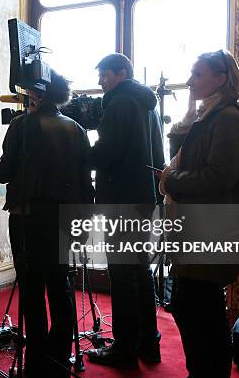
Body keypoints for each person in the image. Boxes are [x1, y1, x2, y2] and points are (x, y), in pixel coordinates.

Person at [0, 72, 94, 377]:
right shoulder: (77, 128)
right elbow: (87, 184)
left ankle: (37, 363)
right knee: (61, 286)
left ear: (38, 95)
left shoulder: (22, 124)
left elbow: (5, 172)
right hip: (65, 220)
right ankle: (60, 360)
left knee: (32, 291)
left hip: (29, 218)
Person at [159, 49, 239, 377]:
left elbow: (219, 175)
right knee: (191, 306)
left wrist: (171, 180)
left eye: (197, 74)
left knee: (200, 310)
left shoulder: (228, 117)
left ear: (220, 79)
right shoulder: (211, 114)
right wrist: (190, 109)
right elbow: (185, 154)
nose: (190, 80)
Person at [84, 53, 164, 369]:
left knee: (122, 275)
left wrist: (80, 156)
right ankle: (148, 344)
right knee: (140, 272)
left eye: (105, 75)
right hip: (143, 197)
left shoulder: (119, 102)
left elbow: (107, 152)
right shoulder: (146, 104)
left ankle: (125, 349)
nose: (101, 81)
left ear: (122, 73)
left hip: (121, 199)